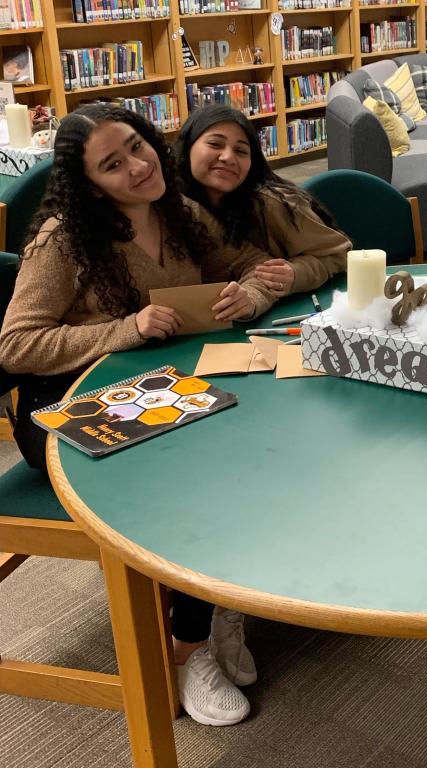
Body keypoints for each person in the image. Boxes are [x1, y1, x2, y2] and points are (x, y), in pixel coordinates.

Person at [0, 103, 276, 728]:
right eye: (112, 164)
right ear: (89, 184)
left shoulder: (178, 209)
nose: (137, 166)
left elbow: (251, 265)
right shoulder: (64, 238)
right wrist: (126, 328)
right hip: (67, 406)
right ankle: (187, 649)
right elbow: (16, 346)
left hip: (154, 391)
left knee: (249, 438)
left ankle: (219, 600)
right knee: (194, 474)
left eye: (136, 146)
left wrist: (248, 293)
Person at [174, 105, 351, 298]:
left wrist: (296, 273)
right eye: (215, 144)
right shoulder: (166, 205)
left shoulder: (274, 205)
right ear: (188, 146)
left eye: (241, 151)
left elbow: (340, 255)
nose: (228, 157)